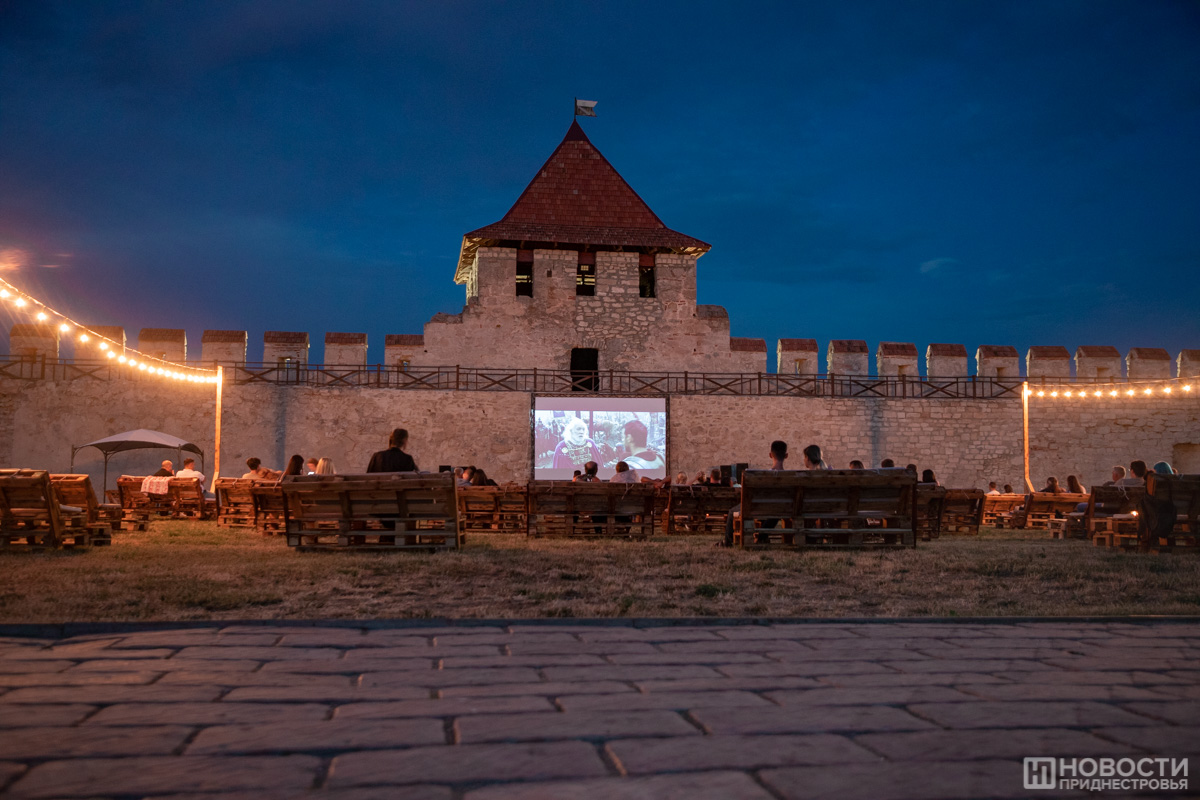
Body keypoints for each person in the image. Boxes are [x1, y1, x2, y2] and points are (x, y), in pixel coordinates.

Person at [722, 440, 788, 547]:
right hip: (783, 508)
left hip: (759, 507)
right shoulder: (791, 477)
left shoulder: (761, 476)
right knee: (775, 511)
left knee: (731, 512)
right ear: (786, 456)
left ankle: (727, 543)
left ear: (770, 455)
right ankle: (761, 537)